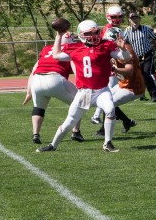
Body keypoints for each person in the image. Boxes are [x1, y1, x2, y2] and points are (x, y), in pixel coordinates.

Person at [36, 20, 132, 153]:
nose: (93, 36)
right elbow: (56, 55)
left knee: (110, 110)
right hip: (84, 92)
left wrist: (122, 48)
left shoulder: (106, 45)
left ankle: (108, 143)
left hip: (102, 90)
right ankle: (53, 145)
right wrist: (59, 35)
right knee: (69, 122)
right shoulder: (75, 47)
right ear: (81, 35)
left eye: (95, 32)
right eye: (88, 33)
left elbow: (125, 58)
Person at [23, 31, 84, 144]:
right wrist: (80, 82)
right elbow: (74, 65)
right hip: (55, 78)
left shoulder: (47, 49)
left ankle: (36, 134)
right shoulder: (72, 48)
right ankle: (76, 132)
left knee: (38, 108)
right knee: (79, 102)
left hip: (37, 80)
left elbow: (33, 70)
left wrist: (29, 92)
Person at [95, 27, 145, 134]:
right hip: (123, 83)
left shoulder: (126, 50)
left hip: (133, 87)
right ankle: (126, 121)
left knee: (108, 104)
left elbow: (129, 71)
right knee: (105, 100)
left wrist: (114, 69)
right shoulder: (114, 49)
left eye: (108, 41)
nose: (106, 43)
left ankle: (105, 131)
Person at [91, 5, 124, 126]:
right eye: (114, 17)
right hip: (109, 63)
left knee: (109, 91)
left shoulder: (110, 28)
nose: (117, 19)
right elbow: (109, 49)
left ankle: (98, 115)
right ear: (109, 17)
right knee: (108, 92)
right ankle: (96, 116)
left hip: (111, 62)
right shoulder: (110, 30)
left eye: (119, 16)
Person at [124, 12, 156, 102]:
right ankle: (143, 95)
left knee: (146, 73)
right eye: (132, 18)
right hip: (136, 57)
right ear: (130, 20)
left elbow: (155, 38)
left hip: (147, 55)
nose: (135, 20)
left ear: (139, 19)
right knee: (142, 76)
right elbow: (124, 43)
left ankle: (155, 95)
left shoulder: (146, 29)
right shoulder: (127, 31)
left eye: (136, 18)